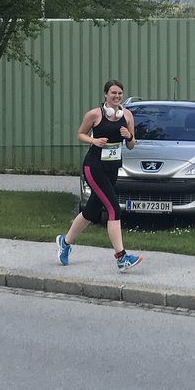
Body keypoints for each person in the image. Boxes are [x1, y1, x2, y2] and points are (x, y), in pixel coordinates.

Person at [56, 79, 142, 271]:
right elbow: (80, 134)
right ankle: (121, 258)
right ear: (106, 94)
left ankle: (65, 242)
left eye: (119, 93)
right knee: (113, 209)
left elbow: (131, 145)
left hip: (112, 168)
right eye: (113, 93)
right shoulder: (95, 114)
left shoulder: (127, 115)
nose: (117, 96)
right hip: (94, 167)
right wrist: (93, 140)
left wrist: (128, 136)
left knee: (91, 211)